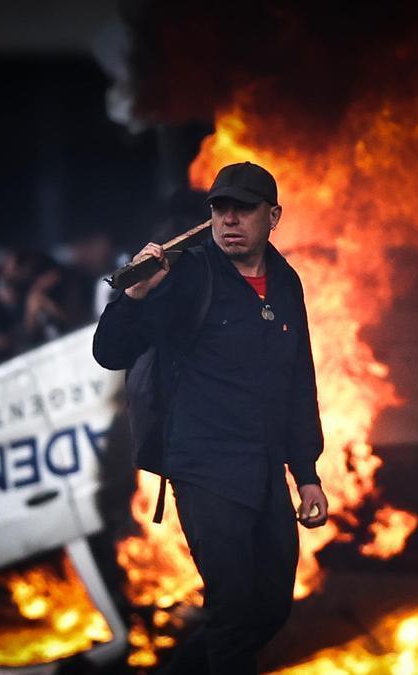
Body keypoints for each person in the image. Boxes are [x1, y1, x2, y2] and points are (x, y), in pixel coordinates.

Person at [93, 161, 328, 674]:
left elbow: (297, 381)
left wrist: (306, 475)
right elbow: (110, 351)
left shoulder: (286, 282)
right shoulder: (188, 276)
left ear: (274, 216)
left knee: (270, 608)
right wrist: (133, 294)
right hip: (203, 469)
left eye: (244, 209)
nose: (230, 220)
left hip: (265, 471)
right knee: (233, 608)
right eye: (221, 209)